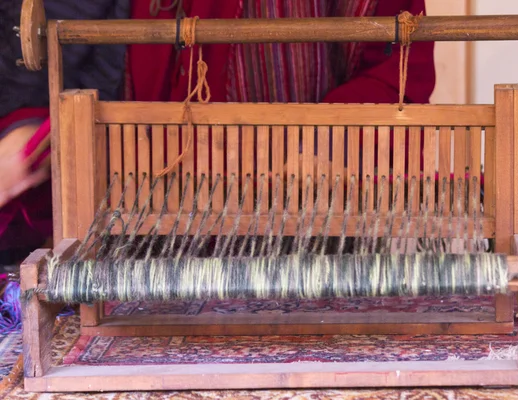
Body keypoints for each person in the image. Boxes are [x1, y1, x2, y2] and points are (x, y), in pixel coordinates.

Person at [0, 0, 435, 255]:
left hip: (310, 230)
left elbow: (395, 74)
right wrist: (35, 131)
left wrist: (286, 143)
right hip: (143, 236)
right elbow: (68, 57)